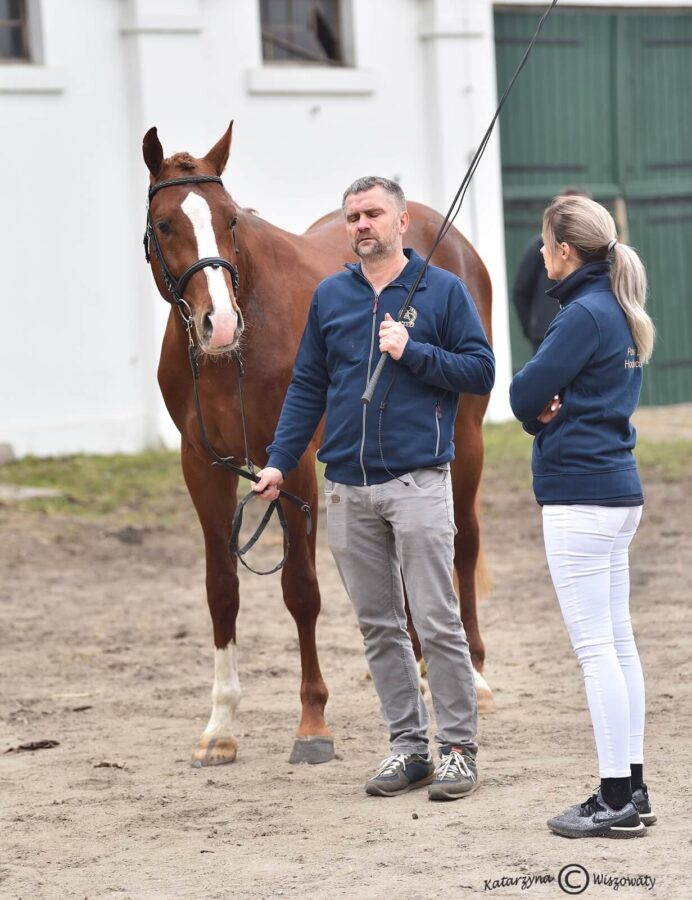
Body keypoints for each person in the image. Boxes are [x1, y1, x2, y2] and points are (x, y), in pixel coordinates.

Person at [252, 176, 495, 801]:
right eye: (353, 216)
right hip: (348, 488)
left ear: (402, 220)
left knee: (435, 621)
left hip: (418, 481)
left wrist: (414, 352)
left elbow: (480, 368)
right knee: (379, 626)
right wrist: (281, 461)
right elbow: (307, 385)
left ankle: (459, 749)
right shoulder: (331, 297)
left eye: (374, 214)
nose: (363, 225)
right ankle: (408, 747)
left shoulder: (441, 291)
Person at [509, 195, 656, 839]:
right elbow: (539, 395)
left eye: (544, 245)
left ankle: (615, 795)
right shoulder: (617, 307)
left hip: (581, 495)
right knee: (617, 643)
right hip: (616, 493)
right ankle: (633, 785)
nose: (541, 256)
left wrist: (540, 408)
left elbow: (521, 391)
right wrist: (544, 404)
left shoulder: (580, 313)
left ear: (565, 251)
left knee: (597, 648)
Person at [512, 187, 590, 354]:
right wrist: (535, 330)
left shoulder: (596, 251)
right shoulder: (539, 247)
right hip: (547, 334)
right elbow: (520, 292)